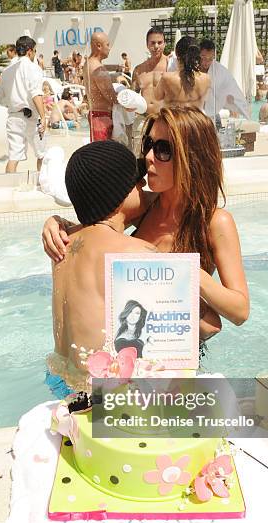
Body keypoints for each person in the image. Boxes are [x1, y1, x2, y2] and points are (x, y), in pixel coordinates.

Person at [43, 106, 250, 340]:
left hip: (177, 344)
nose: (149, 157)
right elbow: (101, 227)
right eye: (148, 145)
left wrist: (183, 271)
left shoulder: (214, 222)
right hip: (130, 341)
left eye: (163, 149)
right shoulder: (146, 206)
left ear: (192, 158)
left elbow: (240, 311)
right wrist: (57, 223)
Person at [48, 140, 156, 388]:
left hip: (59, 379)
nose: (144, 188)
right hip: (101, 390)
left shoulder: (62, 242)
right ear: (120, 195)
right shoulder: (136, 252)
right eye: (139, 183)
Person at [0, 35, 46, 174]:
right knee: (42, 154)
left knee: (13, 157)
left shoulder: (6, 72)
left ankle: (9, 187)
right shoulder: (33, 68)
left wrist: (13, 102)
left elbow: (0, 98)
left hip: (13, 117)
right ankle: (43, 186)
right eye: (34, 51)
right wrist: (43, 117)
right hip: (32, 117)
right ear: (30, 51)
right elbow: (36, 93)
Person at [154, 36, 210, 110]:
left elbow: (157, 97)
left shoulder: (167, 78)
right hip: (196, 120)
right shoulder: (206, 78)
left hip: (175, 120)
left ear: (177, 55)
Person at [198, 39, 249, 119]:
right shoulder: (192, 70)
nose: (207, 62)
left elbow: (232, 88)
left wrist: (231, 99)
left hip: (213, 113)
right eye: (203, 58)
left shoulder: (220, 71)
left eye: (210, 59)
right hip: (195, 113)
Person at [83, 32, 118, 142]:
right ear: (98, 46)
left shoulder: (87, 63)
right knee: (103, 155)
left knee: (97, 151)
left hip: (94, 113)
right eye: (107, 45)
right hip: (102, 117)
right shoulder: (99, 69)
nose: (109, 48)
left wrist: (115, 67)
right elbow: (111, 97)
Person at [132, 27, 168, 116]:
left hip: (165, 118)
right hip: (144, 119)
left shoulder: (171, 65)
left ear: (164, 44)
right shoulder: (139, 70)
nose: (156, 46)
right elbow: (132, 95)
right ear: (147, 45)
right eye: (152, 43)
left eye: (159, 43)